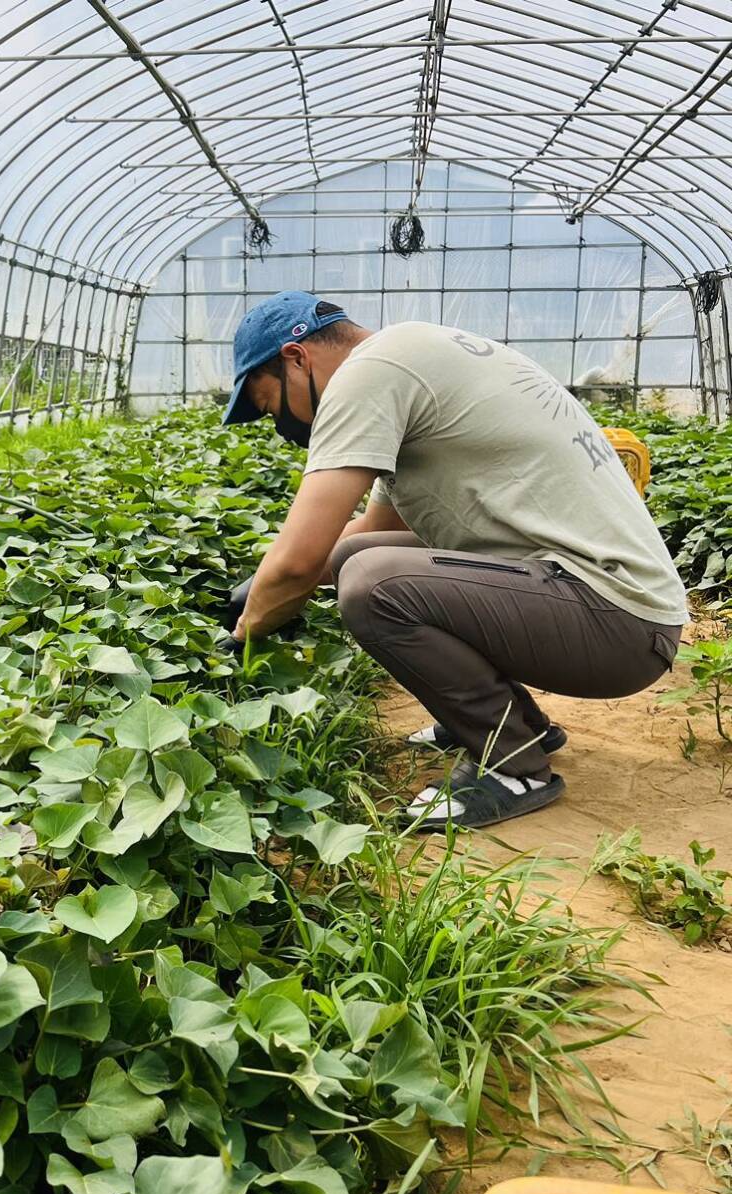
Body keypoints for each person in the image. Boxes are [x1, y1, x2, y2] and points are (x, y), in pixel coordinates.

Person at [222, 291, 687, 831]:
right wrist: (262, 584)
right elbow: (369, 532)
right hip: (590, 598)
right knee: (358, 557)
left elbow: (303, 562)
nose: (283, 426)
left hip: (618, 622)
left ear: (296, 357)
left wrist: (244, 632)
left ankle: (515, 767)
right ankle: (514, 723)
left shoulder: (366, 374)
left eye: (271, 405)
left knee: (374, 587)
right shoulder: (406, 357)